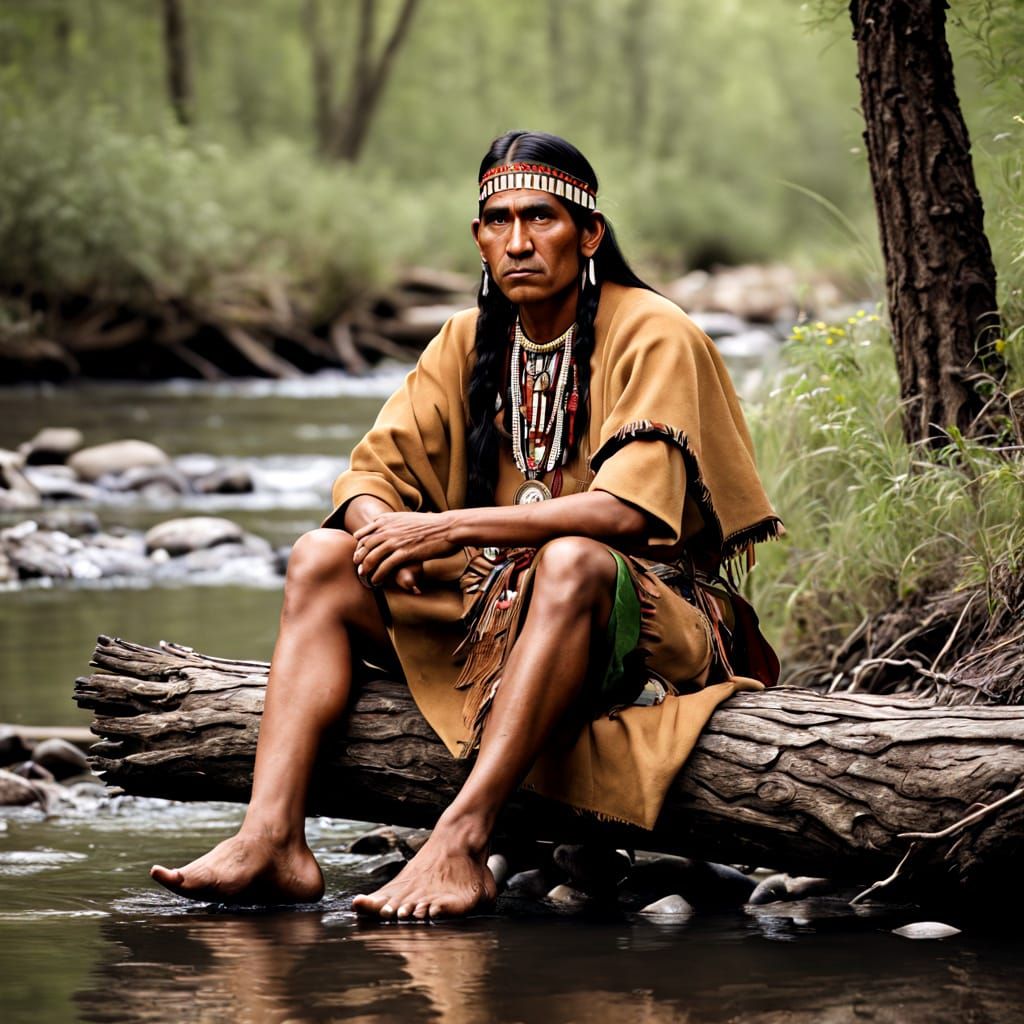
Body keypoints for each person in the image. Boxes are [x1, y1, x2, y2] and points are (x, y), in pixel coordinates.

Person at [151, 130, 782, 919]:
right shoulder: (465, 339)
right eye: (498, 221)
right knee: (320, 555)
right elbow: (368, 473)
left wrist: (443, 529)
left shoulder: (654, 330)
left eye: (542, 219)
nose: (518, 241)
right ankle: (272, 839)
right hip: (495, 606)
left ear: (589, 234)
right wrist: (384, 528)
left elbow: (627, 512)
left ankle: (461, 841)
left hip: (639, 617)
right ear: (479, 238)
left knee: (573, 561)